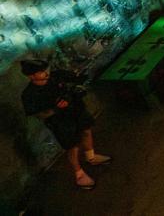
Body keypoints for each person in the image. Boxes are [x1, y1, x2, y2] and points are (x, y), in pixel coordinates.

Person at [20, 60, 111, 189]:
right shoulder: (29, 94)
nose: (46, 73)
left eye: (46, 69)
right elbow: (38, 115)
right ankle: (79, 174)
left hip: (76, 109)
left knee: (86, 130)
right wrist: (56, 109)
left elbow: (80, 78)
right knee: (72, 146)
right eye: (41, 72)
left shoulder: (57, 76)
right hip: (60, 121)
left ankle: (91, 157)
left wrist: (78, 88)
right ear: (31, 76)